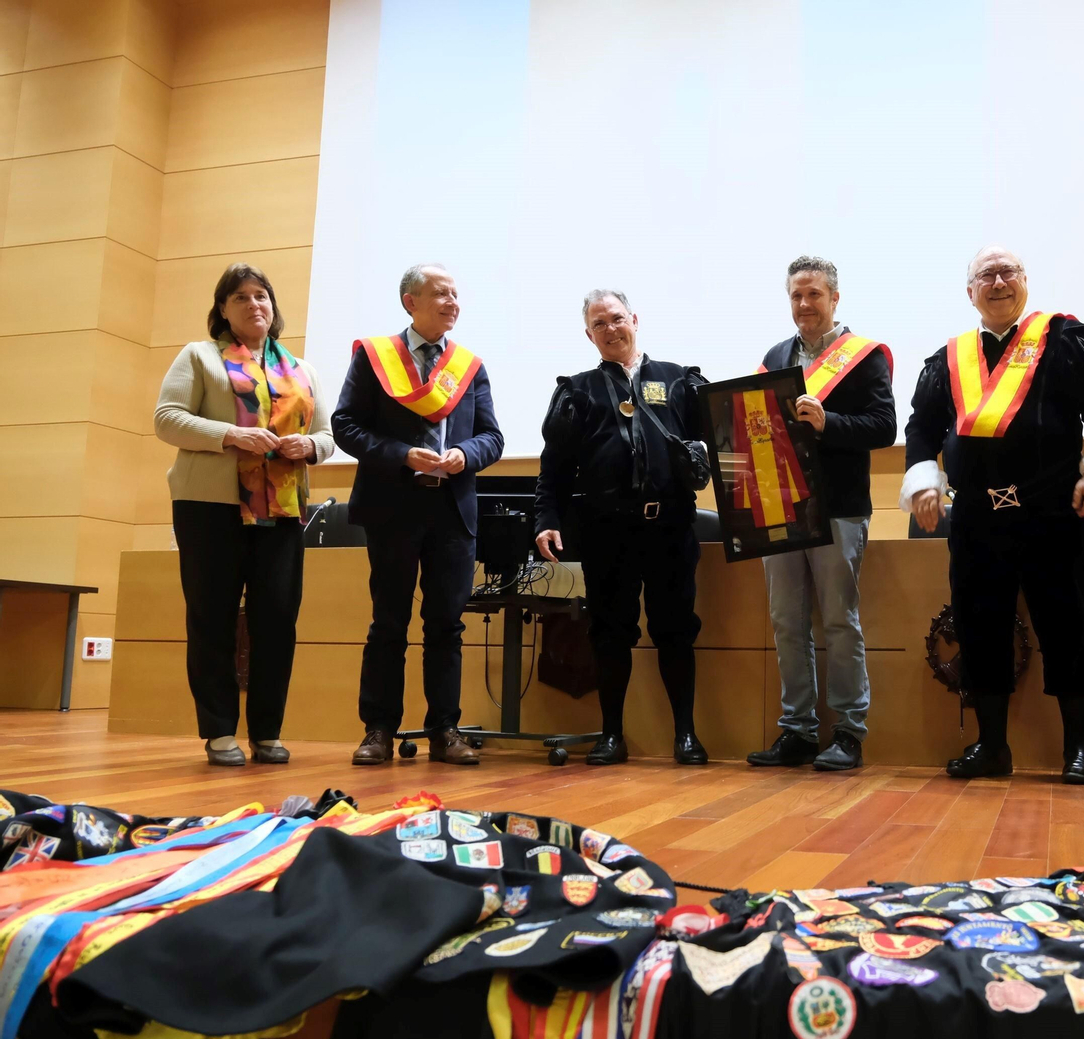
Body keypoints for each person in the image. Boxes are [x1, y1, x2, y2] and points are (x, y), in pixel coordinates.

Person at [902, 246, 1084, 782]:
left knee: (1067, 625)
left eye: (1008, 272)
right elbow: (920, 428)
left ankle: (1079, 750)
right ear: (970, 292)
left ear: (1025, 282)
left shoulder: (1065, 342)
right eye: (986, 274)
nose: (998, 281)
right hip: (978, 519)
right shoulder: (948, 358)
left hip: (1053, 512)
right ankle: (992, 748)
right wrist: (923, 484)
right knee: (979, 629)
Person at [154, 263, 335, 766]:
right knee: (212, 618)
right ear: (222, 310)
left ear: (273, 307)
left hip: (282, 508)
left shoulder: (302, 370)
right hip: (210, 507)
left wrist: (309, 446)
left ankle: (268, 732)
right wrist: (230, 435)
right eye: (240, 297)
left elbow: (327, 436)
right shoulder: (199, 357)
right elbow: (166, 418)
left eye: (262, 296)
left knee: (276, 621)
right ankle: (218, 732)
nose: (254, 304)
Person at [332, 264, 504, 767]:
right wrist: (400, 453)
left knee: (446, 625)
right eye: (440, 294)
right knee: (389, 622)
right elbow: (345, 425)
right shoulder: (375, 357)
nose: (452, 302)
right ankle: (378, 729)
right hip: (393, 507)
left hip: (452, 512)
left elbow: (492, 437)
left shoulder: (468, 366)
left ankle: (445, 730)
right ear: (410, 301)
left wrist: (465, 456)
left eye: (456, 294)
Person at [533, 290, 709, 766]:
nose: (610, 329)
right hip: (607, 532)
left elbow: (723, 443)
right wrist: (546, 518)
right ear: (588, 334)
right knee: (610, 633)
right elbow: (554, 466)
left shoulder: (679, 381)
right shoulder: (577, 390)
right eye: (599, 323)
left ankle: (686, 736)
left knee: (676, 630)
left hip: (671, 527)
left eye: (616, 318)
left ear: (635, 318)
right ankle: (612, 735)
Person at [746, 257, 895, 772]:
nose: (804, 305)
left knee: (837, 621)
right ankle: (799, 732)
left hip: (840, 509)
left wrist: (829, 421)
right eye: (796, 296)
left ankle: (849, 732)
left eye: (813, 295)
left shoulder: (865, 357)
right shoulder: (774, 356)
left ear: (834, 298)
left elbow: (882, 427)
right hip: (780, 508)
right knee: (788, 622)